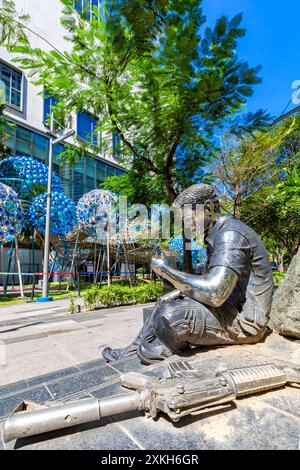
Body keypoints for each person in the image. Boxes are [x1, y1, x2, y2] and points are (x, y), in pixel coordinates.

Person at [102, 184, 274, 365]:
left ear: (207, 208)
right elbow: (209, 280)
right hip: (226, 307)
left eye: (188, 217)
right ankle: (134, 350)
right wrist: (177, 292)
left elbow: (215, 293)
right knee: (165, 302)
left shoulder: (230, 235)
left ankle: (157, 350)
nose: (186, 224)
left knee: (171, 317)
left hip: (243, 321)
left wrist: (166, 271)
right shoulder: (217, 234)